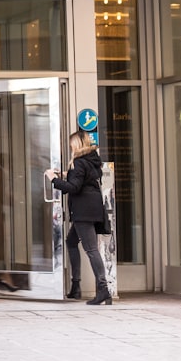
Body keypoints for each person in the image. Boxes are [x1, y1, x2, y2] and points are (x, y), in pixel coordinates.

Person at [45, 130, 112, 306]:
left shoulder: (79, 162)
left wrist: (53, 179)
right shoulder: (91, 160)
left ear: (77, 144)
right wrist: (67, 175)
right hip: (90, 208)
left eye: (72, 144)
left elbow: (74, 188)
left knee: (91, 250)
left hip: (83, 211)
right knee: (71, 241)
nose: (70, 147)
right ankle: (76, 286)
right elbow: (83, 180)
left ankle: (103, 289)